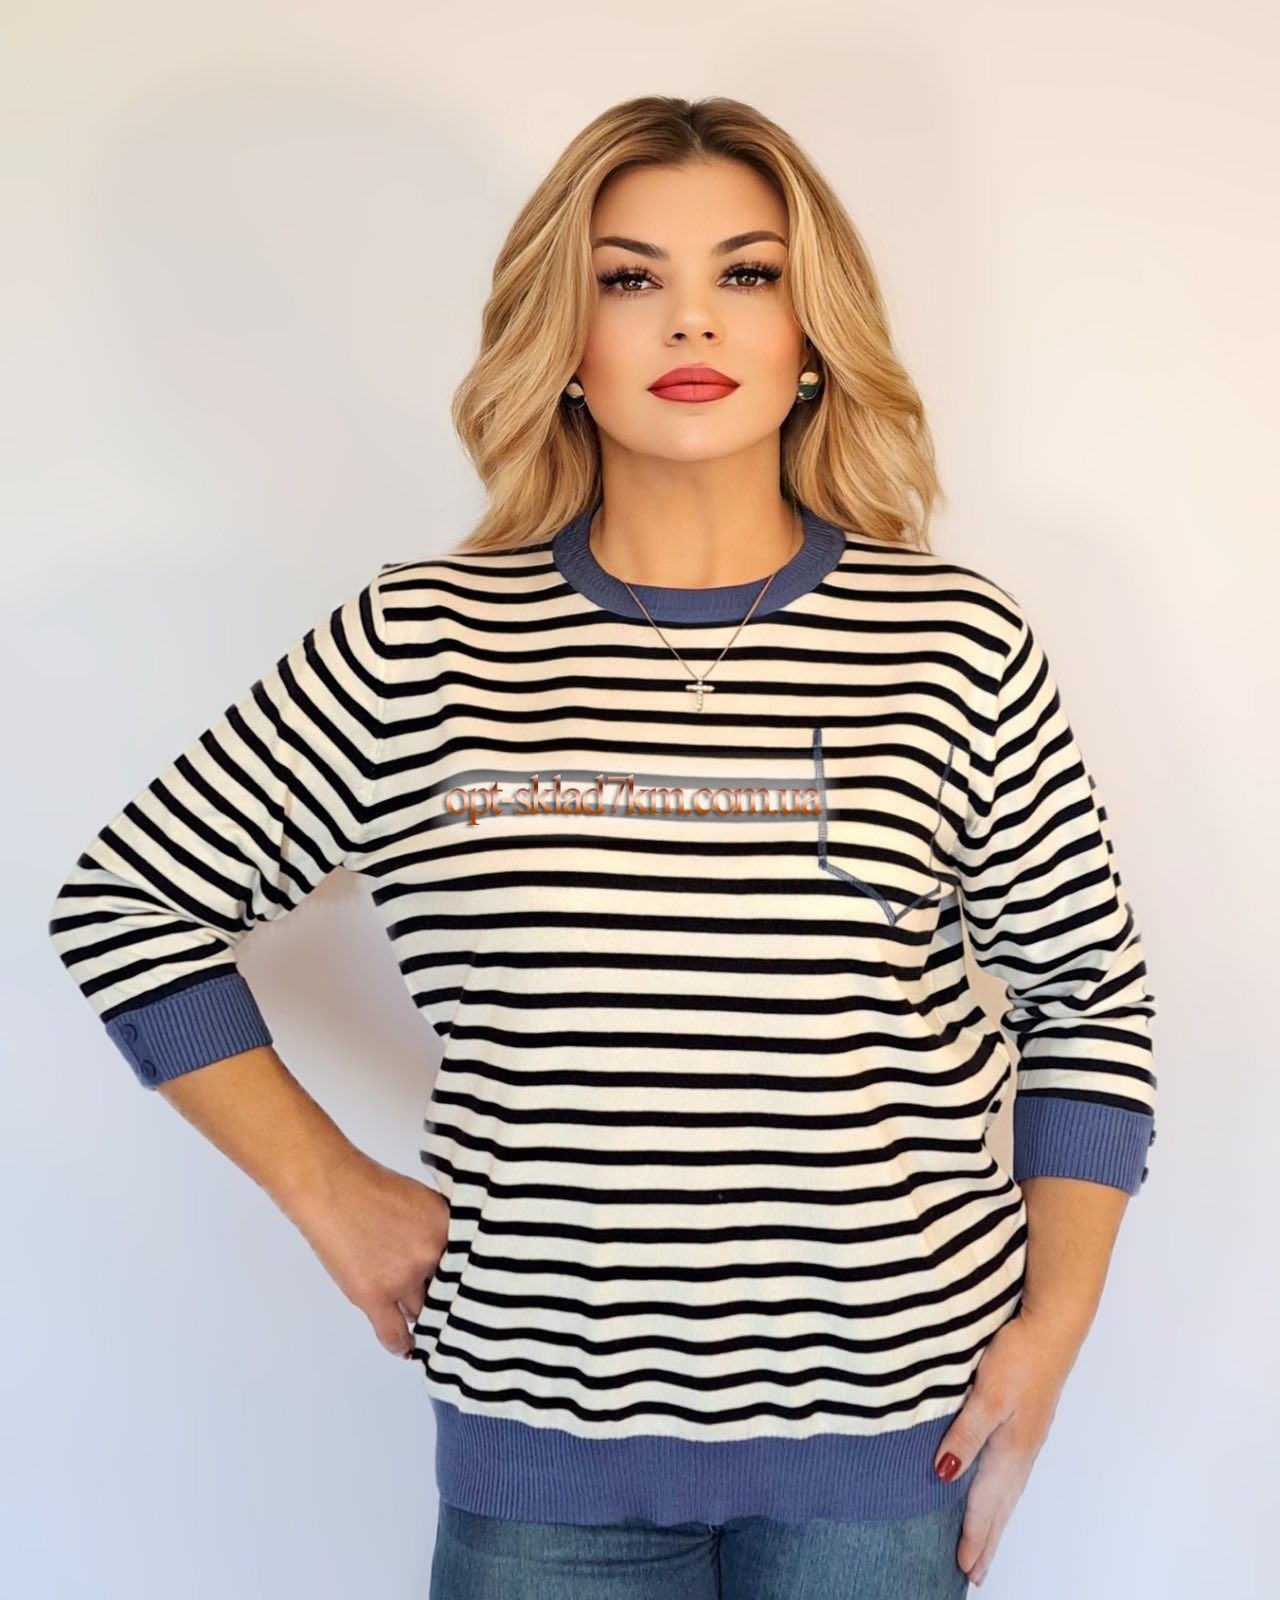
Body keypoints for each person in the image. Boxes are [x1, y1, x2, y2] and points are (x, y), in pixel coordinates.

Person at [47, 94, 1157, 1598]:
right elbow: (128, 905)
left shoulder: (949, 642)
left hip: (891, 1447)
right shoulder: (421, 644)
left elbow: (1088, 998)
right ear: (563, 341)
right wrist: (329, 1192)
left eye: (747, 273)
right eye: (630, 278)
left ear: (813, 334)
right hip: (541, 1459)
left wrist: (1055, 1331)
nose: (690, 317)